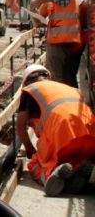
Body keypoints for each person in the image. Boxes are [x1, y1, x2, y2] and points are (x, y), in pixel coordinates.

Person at [16, 64, 95, 196]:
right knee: (73, 161)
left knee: (36, 164)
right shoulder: (71, 89)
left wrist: (31, 150)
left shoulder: (30, 90)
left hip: (63, 137)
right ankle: (77, 175)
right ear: (47, 77)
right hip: (91, 137)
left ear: (27, 81)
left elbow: (20, 126)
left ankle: (49, 176)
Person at [29, 0, 81, 87]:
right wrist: (35, 15)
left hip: (59, 44)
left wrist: (33, 3)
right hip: (66, 43)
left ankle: (57, 103)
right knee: (66, 79)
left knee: (55, 80)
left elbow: (36, 1)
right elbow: (39, 22)